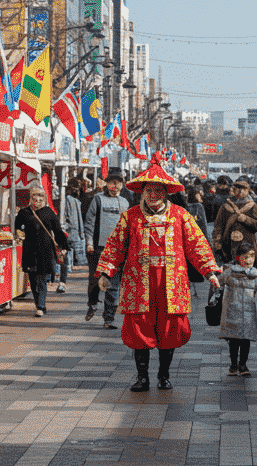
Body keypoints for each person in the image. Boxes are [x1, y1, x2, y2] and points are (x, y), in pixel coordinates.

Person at [94, 165, 221, 392]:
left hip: (171, 283)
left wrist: (209, 271)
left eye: (158, 191)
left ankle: (164, 375)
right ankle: (142, 377)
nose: (153, 196)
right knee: (139, 329)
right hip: (139, 282)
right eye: (149, 191)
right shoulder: (129, 217)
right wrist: (106, 272)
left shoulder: (181, 216)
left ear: (166, 192)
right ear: (142, 192)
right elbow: (115, 246)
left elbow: (197, 245)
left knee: (169, 329)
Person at [16, 185, 70, 317]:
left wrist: (63, 246)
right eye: (35, 198)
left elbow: (57, 231)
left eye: (41, 198)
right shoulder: (24, 212)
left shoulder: (48, 212)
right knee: (32, 279)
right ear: (31, 199)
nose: (38, 201)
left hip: (45, 250)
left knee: (41, 278)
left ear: (44, 199)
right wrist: (19, 233)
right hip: (29, 250)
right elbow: (17, 226)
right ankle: (39, 303)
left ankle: (41, 305)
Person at [84, 174, 131, 326]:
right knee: (95, 279)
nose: (115, 186)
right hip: (98, 247)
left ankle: (109, 318)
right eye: (111, 183)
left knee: (113, 283)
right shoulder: (97, 199)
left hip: (118, 249)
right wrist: (89, 242)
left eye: (118, 184)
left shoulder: (125, 202)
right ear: (106, 184)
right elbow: (90, 222)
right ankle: (92, 304)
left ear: (122, 186)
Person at [219, 242, 257, 375]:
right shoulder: (229, 272)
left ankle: (243, 365)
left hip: (248, 312)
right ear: (238, 257)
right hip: (232, 311)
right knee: (234, 340)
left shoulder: (256, 274)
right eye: (245, 257)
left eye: (252, 256)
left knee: (246, 340)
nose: (249, 260)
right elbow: (218, 284)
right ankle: (233, 365)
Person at [215, 179, 257, 267]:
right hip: (228, 246)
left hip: (248, 246)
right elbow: (218, 226)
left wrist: (246, 219)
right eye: (237, 189)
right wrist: (217, 241)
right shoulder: (225, 207)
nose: (240, 192)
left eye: (243, 189)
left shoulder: (253, 207)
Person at [60, 185, 85, 291]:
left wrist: (64, 228)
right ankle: (67, 271)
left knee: (66, 252)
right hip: (73, 231)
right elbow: (79, 218)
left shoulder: (67, 201)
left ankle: (64, 277)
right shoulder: (76, 202)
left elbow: (66, 216)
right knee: (68, 251)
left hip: (68, 231)